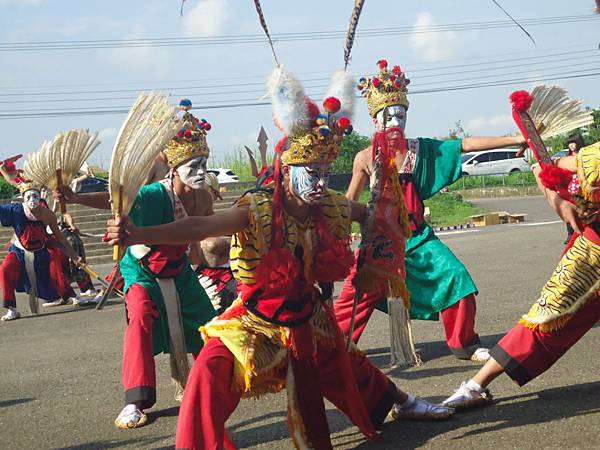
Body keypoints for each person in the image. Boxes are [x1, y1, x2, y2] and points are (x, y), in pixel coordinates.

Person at [106, 67, 453, 450]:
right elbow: (199, 228)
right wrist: (139, 234)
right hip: (254, 321)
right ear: (287, 171)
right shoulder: (255, 209)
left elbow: (379, 215)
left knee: (348, 363)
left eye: (326, 172)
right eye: (312, 173)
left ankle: (403, 403)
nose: (321, 183)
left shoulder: (333, 205)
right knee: (207, 371)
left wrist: (385, 204)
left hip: (308, 317)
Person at [334, 59, 527, 362]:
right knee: (354, 297)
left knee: (457, 277)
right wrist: (333, 232)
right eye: (389, 116)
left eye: (401, 115)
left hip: (418, 239)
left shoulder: (421, 150)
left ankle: (464, 343)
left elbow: (464, 144)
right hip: (379, 243)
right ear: (375, 120)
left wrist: (515, 138)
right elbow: (347, 203)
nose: (396, 121)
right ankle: (334, 349)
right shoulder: (364, 158)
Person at [443, 142, 600, 409]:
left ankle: (476, 385)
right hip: (593, 254)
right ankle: (477, 384)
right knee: (547, 315)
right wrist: (556, 190)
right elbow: (555, 172)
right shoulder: (592, 158)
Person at [112, 113, 217, 429]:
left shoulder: (202, 195)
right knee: (141, 315)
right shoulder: (154, 194)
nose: (200, 172)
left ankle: (208, 383)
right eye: (193, 166)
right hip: (143, 271)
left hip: (180, 270)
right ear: (174, 168)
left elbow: (206, 229)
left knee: (209, 324)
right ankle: (135, 401)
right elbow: (114, 202)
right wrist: (74, 198)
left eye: (203, 164)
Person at [0, 181, 80, 321]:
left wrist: (74, 256)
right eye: (29, 197)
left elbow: (60, 237)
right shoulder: (15, 210)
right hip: (19, 251)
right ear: (23, 199)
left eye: (35, 196)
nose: (32, 200)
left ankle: (66, 296)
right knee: (5, 268)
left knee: (50, 276)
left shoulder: (48, 215)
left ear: (40, 197)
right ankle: (12, 309)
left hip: (40, 252)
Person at [562, 132, 585, 243]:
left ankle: (584, 232)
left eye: (573, 142)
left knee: (583, 211)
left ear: (578, 143)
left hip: (582, 187)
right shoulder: (567, 157)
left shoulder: (583, 155)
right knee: (569, 211)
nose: (571, 145)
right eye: (569, 143)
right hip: (570, 187)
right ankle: (570, 234)